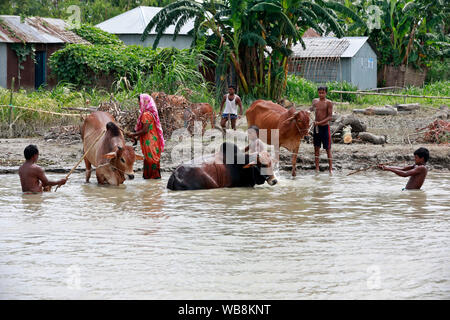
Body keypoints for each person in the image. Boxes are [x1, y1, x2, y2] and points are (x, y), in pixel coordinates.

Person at [127, 94, 165, 179]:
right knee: (150, 159)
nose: (139, 104)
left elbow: (145, 130)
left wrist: (133, 134)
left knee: (151, 160)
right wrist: (135, 137)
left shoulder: (146, 114)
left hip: (150, 141)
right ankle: (150, 179)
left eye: (139, 102)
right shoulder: (151, 113)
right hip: (153, 140)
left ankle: (154, 178)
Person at [310, 86, 333, 174]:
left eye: (323, 93)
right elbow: (311, 109)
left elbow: (330, 117)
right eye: (319, 93)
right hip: (316, 128)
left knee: (328, 148)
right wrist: (306, 111)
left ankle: (330, 169)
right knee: (316, 148)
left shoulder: (328, 103)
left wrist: (319, 123)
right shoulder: (315, 101)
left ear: (326, 93)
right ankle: (317, 168)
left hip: (324, 128)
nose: (321, 94)